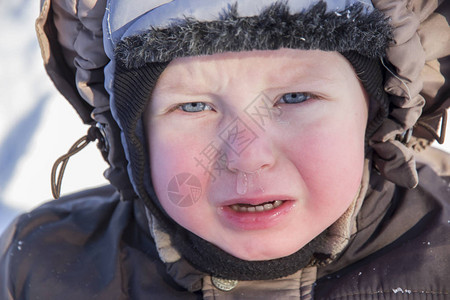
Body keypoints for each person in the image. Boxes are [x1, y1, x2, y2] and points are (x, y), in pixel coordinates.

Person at [1, 0, 449, 298]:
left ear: (379, 112)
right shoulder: (40, 268)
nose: (247, 156)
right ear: (130, 135)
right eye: (193, 106)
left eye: (294, 98)